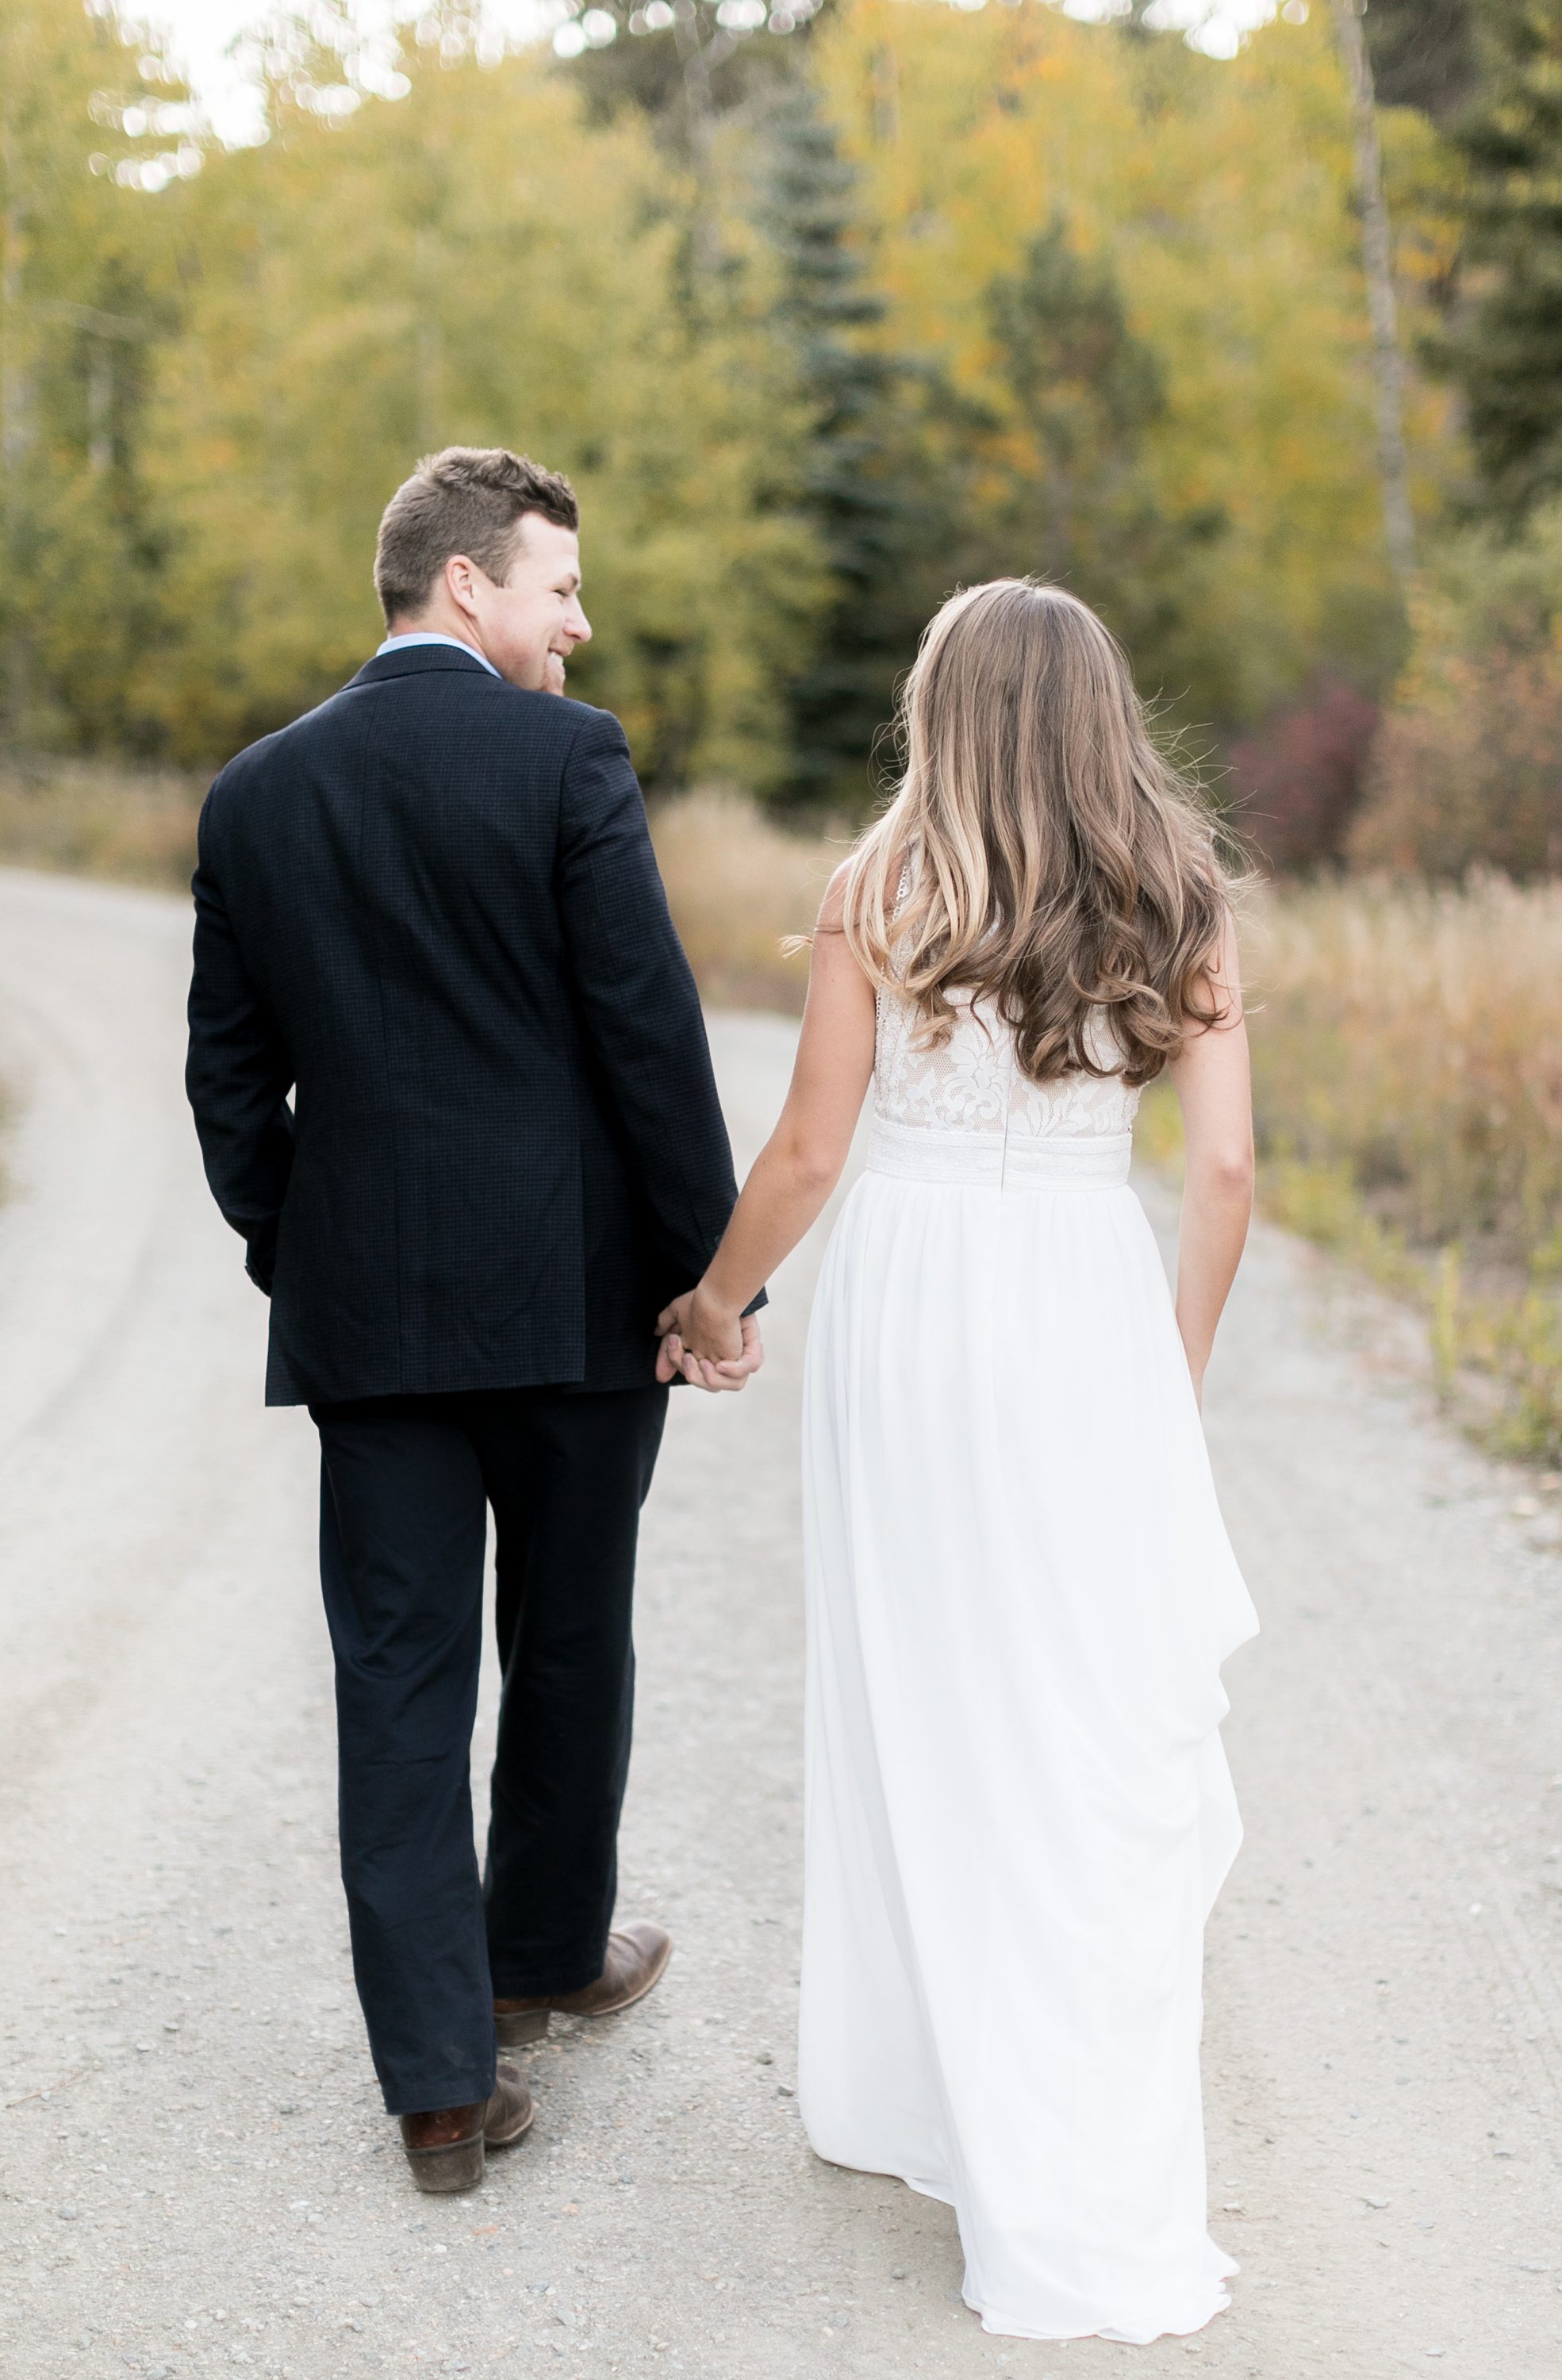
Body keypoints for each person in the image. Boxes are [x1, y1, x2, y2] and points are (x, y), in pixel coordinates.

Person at [657, 579, 1259, 2342]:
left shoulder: (882, 888)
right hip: (1082, 1304)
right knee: (1076, 1714)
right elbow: (1219, 1181)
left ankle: (921, 2090)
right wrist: (1172, 1383)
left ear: (941, 709)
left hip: (912, 1311)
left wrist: (711, 1298)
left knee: (920, 1691)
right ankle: (1067, 2113)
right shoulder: (1183, 892)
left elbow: (809, 1147)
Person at [186, 445, 760, 2195]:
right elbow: (647, 1041)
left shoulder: (256, 795)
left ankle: (440, 2087)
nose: (580, 627)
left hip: (374, 1328)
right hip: (580, 1311)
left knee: (398, 1684)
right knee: (573, 1641)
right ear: (465, 586)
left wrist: (313, 1256)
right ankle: (544, 1954)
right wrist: (705, 1276)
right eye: (560, 588)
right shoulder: (565, 761)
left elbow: (229, 1086)